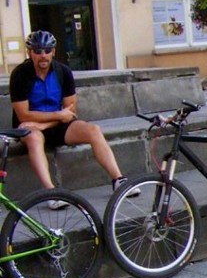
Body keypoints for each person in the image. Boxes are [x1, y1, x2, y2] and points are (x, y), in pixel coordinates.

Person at [9, 30, 139, 208]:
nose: (43, 55)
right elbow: (24, 115)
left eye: (47, 51)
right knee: (33, 137)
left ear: (53, 52)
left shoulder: (63, 72)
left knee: (93, 130)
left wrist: (48, 121)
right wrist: (56, 116)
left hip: (54, 123)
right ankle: (51, 192)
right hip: (30, 127)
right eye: (38, 51)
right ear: (29, 53)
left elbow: (69, 112)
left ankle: (118, 180)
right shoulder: (20, 75)